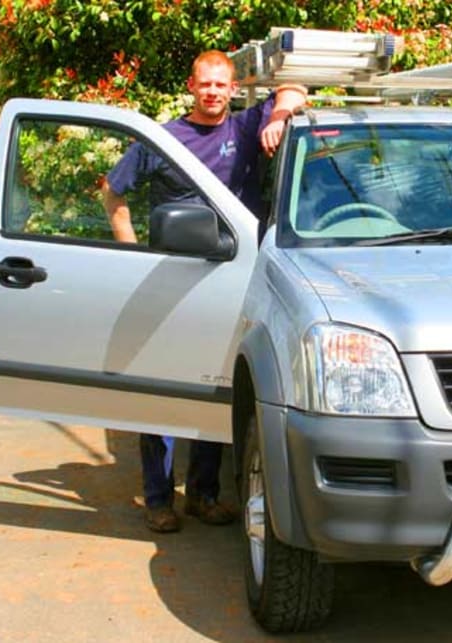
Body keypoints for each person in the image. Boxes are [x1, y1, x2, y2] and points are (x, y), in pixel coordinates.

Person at [102, 50, 307, 533]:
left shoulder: (242, 130)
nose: (213, 92)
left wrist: (278, 116)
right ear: (191, 87)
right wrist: (131, 253)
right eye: (205, 84)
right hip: (169, 284)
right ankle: (158, 498)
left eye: (221, 85)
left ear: (233, 89)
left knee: (215, 385)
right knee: (162, 390)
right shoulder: (163, 139)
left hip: (229, 283)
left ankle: (203, 495)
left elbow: (294, 89)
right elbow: (113, 191)